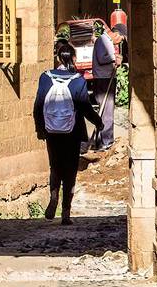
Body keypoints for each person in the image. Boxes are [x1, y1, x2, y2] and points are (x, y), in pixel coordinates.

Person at [33, 39, 103, 224]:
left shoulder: (45, 77)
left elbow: (38, 105)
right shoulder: (78, 81)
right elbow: (85, 108)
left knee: (55, 166)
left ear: (57, 57)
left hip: (52, 132)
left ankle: (53, 197)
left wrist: (40, 129)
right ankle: (66, 212)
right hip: (72, 132)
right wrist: (99, 122)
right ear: (73, 58)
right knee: (70, 170)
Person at [89, 22, 121, 152]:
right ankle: (106, 142)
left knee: (105, 111)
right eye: (120, 38)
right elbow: (102, 58)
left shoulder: (106, 41)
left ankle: (101, 140)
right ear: (115, 33)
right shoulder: (103, 40)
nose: (119, 41)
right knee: (107, 112)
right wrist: (115, 57)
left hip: (106, 77)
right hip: (103, 79)